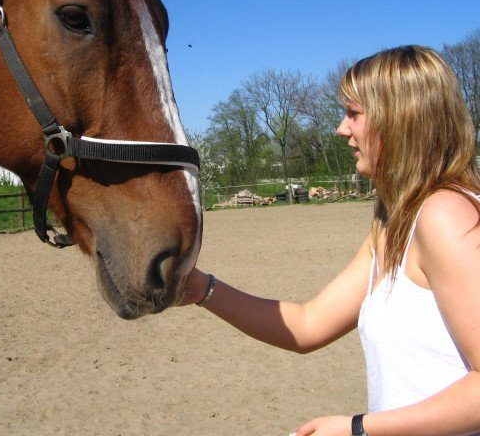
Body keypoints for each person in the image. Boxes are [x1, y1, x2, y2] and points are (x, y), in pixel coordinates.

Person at [181, 45, 480, 436]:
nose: (341, 129)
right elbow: (308, 325)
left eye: (354, 114)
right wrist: (201, 288)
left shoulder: (444, 214)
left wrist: (359, 429)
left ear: (402, 119)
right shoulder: (392, 224)